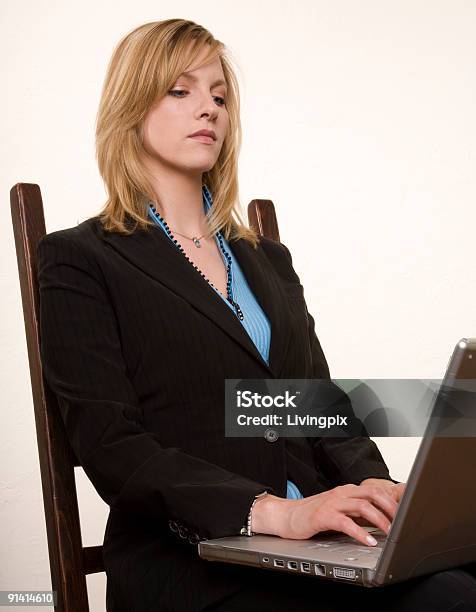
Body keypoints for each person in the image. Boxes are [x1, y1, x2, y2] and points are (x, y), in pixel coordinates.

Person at [37, 18, 476, 612]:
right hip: (194, 563)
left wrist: (373, 485)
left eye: (219, 96)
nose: (209, 110)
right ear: (131, 104)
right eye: (181, 90)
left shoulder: (267, 260)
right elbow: (110, 444)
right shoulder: (81, 259)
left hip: (323, 545)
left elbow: (315, 401)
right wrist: (273, 511)